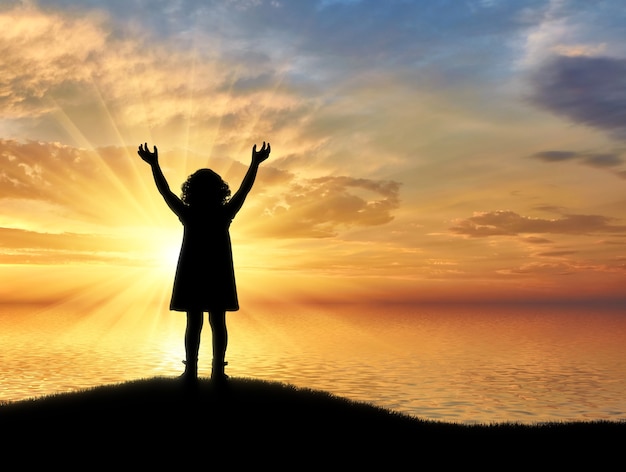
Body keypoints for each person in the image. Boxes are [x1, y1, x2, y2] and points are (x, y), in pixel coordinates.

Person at [138, 141, 271, 383]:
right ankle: (217, 371)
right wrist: (254, 164)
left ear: (192, 190)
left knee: (195, 322)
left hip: (193, 271)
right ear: (218, 190)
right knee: (217, 322)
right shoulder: (223, 213)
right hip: (217, 272)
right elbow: (244, 190)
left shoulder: (189, 213)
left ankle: (192, 372)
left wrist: (154, 165)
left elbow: (165, 191)